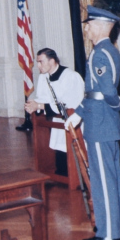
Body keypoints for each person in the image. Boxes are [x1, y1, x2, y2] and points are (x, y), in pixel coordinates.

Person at [65, 7, 120, 240]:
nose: (87, 28)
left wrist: (112, 107)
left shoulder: (100, 54)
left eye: (89, 24)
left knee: (103, 180)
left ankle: (108, 234)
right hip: (105, 122)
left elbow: (108, 92)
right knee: (113, 177)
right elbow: (95, 92)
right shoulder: (109, 50)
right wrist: (79, 113)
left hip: (100, 125)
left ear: (101, 26)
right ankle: (117, 226)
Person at [25, 47, 85, 176]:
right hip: (57, 121)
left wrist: (40, 105)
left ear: (52, 61)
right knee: (59, 147)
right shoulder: (43, 77)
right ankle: (62, 174)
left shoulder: (71, 77)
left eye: (41, 62)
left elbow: (70, 104)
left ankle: (77, 176)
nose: (37, 65)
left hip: (75, 121)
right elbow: (42, 99)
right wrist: (33, 105)